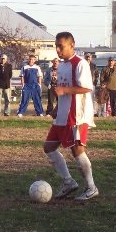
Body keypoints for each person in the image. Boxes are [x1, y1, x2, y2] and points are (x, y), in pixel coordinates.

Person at [44, 32, 98, 201]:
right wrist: (58, 106)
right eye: (56, 46)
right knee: (49, 147)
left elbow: (87, 88)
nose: (58, 49)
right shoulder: (62, 65)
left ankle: (91, 187)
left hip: (77, 115)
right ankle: (69, 182)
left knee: (77, 150)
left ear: (72, 44)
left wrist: (64, 91)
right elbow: (63, 90)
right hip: (62, 113)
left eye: (61, 46)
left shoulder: (80, 64)